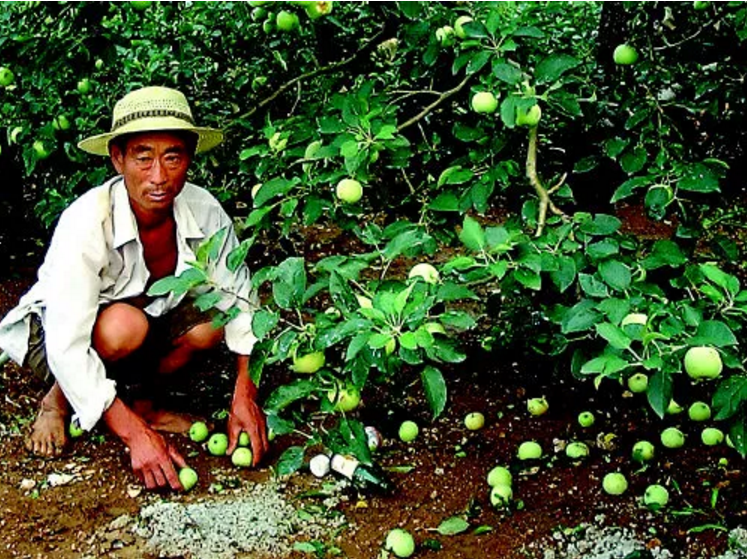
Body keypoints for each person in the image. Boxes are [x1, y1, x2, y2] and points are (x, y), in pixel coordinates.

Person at [0, 86, 268, 491]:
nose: (159, 176)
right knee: (123, 326)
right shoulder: (87, 222)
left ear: (190, 159)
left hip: (150, 318)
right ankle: (57, 399)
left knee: (213, 323)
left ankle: (146, 405)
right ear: (117, 158)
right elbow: (67, 341)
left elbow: (242, 300)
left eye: (172, 157)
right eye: (143, 157)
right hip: (57, 334)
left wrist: (245, 392)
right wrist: (134, 438)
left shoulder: (204, 210)